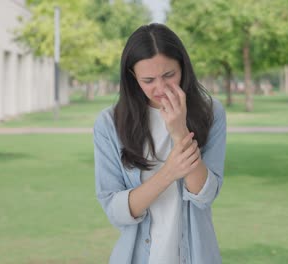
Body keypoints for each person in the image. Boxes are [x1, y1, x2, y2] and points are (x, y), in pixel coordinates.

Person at [94, 23, 226, 264]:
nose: (161, 88)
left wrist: (179, 131)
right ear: (133, 77)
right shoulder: (109, 124)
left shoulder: (211, 113)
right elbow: (116, 210)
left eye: (169, 75)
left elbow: (204, 195)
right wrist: (168, 173)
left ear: (183, 68)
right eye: (148, 80)